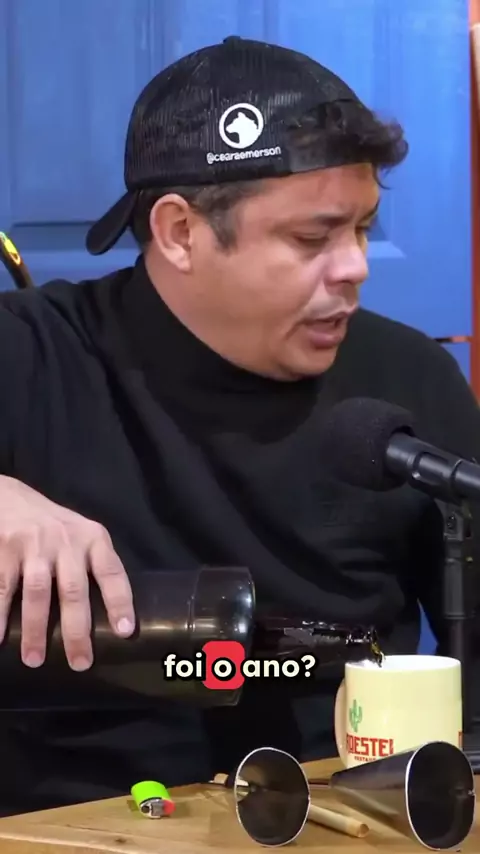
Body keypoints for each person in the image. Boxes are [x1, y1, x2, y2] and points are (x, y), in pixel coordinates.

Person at [0, 35, 479, 815]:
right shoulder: (29, 353)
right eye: (312, 237)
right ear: (180, 232)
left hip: (340, 817)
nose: (356, 266)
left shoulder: (410, 376)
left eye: (362, 228)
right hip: (60, 822)